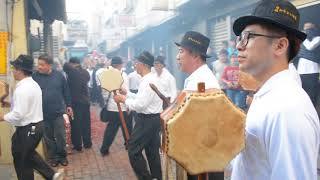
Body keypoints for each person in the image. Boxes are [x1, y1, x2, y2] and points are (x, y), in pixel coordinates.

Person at [231, 0, 319, 179]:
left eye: (248, 37)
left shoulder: (287, 109)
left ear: (280, 46)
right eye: (240, 38)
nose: (238, 46)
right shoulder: (268, 96)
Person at [0, 54, 64, 180]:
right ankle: (52, 175)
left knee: (23, 158)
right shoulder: (32, 84)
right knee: (23, 156)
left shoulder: (22, 89)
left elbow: (19, 114)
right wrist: (9, 104)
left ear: (20, 70)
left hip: (28, 128)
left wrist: (3, 117)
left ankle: (52, 175)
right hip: (34, 127)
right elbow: (26, 106)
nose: (13, 71)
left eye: (14, 68)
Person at [175, 31, 222, 180]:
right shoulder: (196, 78)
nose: (177, 57)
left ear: (195, 55)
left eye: (181, 51)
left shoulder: (203, 81)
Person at [114, 51, 162, 180]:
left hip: (146, 121)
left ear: (142, 64)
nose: (134, 65)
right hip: (153, 119)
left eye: (136, 63)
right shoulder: (149, 79)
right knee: (152, 152)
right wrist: (127, 94)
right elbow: (142, 99)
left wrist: (123, 99)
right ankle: (157, 177)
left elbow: (140, 105)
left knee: (133, 150)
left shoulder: (147, 81)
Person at [32, 54, 73, 167]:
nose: (39, 67)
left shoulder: (59, 75)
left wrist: (69, 105)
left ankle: (62, 156)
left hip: (58, 112)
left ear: (49, 65)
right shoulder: (35, 77)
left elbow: (66, 91)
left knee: (60, 136)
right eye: (38, 64)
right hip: (42, 113)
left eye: (42, 65)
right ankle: (54, 157)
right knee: (48, 137)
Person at [100, 56, 132, 156]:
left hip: (111, 107)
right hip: (123, 105)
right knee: (127, 128)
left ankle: (104, 149)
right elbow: (127, 91)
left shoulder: (105, 74)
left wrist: (108, 101)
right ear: (120, 64)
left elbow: (104, 93)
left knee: (111, 130)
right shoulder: (124, 74)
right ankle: (129, 146)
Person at [63, 57, 92, 152]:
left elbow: (65, 67)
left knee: (76, 124)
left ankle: (78, 145)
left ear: (72, 64)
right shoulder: (85, 72)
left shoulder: (72, 73)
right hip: (85, 101)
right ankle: (87, 143)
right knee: (86, 123)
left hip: (75, 102)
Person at [294, 22, 320, 106]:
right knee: (303, 92)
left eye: (308, 29)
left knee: (312, 93)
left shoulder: (318, 38)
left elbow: (310, 47)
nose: (306, 31)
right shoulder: (301, 40)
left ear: (314, 29)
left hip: (312, 70)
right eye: (304, 29)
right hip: (301, 70)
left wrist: (303, 38)